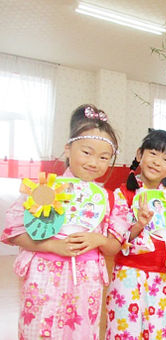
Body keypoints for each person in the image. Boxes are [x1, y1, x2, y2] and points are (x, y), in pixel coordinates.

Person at [1, 104, 122, 339]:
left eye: (104, 157)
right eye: (86, 152)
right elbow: (12, 231)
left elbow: (114, 245)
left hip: (87, 279)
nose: (94, 162)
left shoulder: (108, 198)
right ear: (68, 149)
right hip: (43, 274)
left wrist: (98, 239)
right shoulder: (43, 187)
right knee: (39, 330)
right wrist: (52, 245)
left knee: (81, 332)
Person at [105, 129, 166, 340]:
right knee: (124, 330)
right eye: (153, 153)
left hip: (161, 278)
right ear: (139, 155)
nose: (157, 162)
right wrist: (138, 225)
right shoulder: (122, 194)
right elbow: (116, 239)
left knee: (157, 332)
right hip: (128, 275)